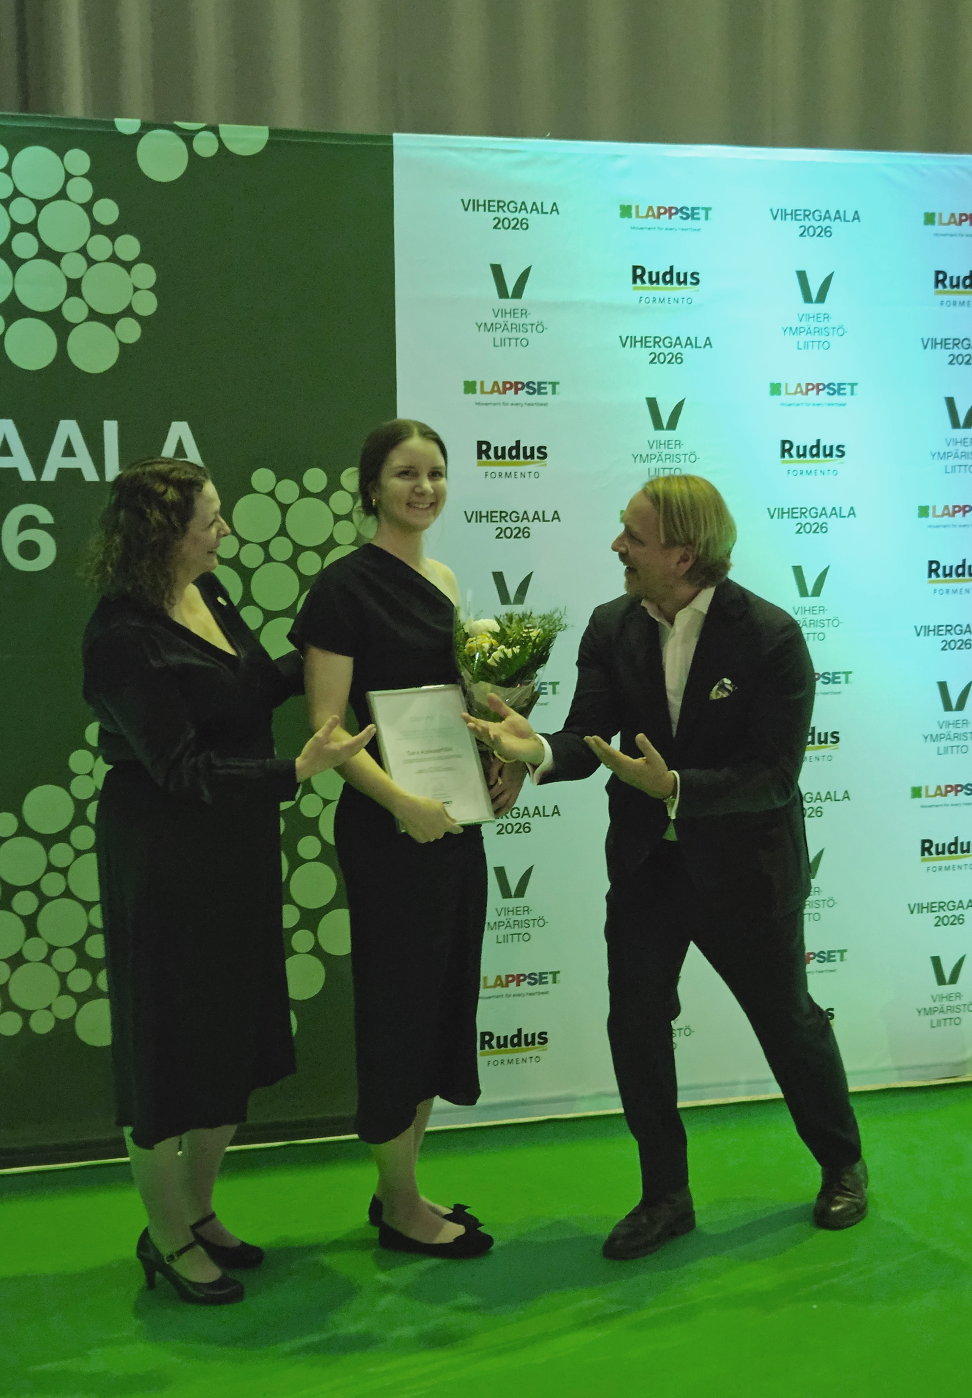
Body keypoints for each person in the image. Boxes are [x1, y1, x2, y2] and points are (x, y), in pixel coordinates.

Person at [464, 474, 867, 1259]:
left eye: (633, 536)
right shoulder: (610, 624)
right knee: (637, 1026)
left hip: (748, 871)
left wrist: (676, 787)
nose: (616, 546)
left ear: (683, 556)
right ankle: (664, 1196)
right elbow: (588, 737)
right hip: (647, 867)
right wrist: (534, 748)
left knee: (786, 1022)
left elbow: (773, 775)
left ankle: (841, 1162)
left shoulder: (771, 636)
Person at [83, 457, 374, 1305]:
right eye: (209, 520)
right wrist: (298, 769)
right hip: (162, 858)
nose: (224, 532)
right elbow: (178, 769)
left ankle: (199, 1210)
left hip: (236, 847)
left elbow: (249, 687)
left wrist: (328, 644)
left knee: (228, 1037)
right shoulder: (120, 636)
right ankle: (166, 1236)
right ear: (163, 536)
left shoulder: (204, 592)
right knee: (168, 1049)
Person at [289, 420, 508, 1260]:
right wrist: (401, 803)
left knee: (439, 1004)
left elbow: (460, 705)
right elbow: (327, 732)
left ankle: (400, 1189)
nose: (424, 488)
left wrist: (499, 760)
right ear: (371, 487)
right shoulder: (342, 588)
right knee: (397, 1009)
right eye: (405, 474)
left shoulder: (444, 579)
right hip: (389, 829)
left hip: (450, 824)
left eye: (436, 473)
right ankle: (403, 1205)